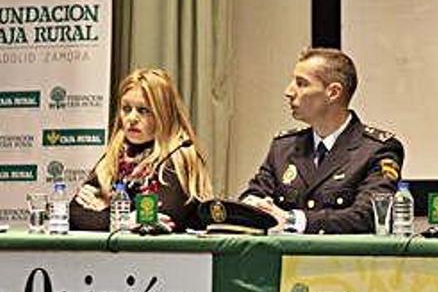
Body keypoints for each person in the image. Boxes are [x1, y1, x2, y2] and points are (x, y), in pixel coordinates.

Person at [240, 47, 404, 234]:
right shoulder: (284, 147)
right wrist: (255, 206)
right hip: (283, 259)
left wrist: (293, 220)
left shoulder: (376, 149)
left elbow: (369, 215)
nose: (289, 91)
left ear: (333, 92)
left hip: (340, 261)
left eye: (301, 84)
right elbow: (253, 193)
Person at [70, 68, 213, 232]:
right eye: (126, 109)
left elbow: (160, 219)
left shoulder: (179, 155)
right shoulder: (116, 154)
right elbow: (74, 213)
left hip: (169, 256)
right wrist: (124, 221)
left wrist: (106, 209)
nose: (131, 118)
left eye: (143, 110)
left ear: (163, 114)